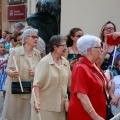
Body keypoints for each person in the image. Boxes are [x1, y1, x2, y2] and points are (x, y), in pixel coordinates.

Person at [0, 28, 41, 120]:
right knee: (14, 114)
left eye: (37, 37)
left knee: (27, 114)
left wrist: (36, 73)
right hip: (16, 87)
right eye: (34, 37)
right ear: (26, 39)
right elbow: (8, 69)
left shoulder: (37, 53)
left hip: (30, 88)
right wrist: (12, 73)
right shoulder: (16, 52)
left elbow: (40, 70)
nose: (36, 39)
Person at [68, 35, 108, 120]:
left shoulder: (94, 64)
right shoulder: (80, 68)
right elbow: (82, 95)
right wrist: (96, 117)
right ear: (89, 50)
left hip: (98, 113)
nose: (101, 49)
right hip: (85, 115)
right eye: (99, 47)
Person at [31, 35, 71, 120]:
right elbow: (36, 85)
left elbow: (70, 85)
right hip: (45, 107)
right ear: (55, 47)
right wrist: (37, 101)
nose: (66, 48)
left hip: (61, 107)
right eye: (63, 45)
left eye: (66, 45)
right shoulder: (44, 62)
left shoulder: (66, 63)